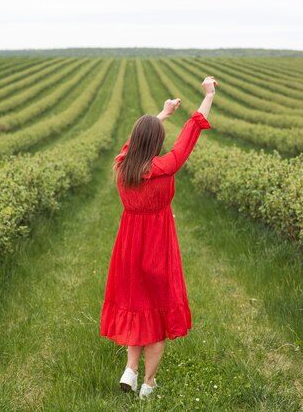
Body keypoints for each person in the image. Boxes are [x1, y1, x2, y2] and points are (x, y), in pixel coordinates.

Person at [100, 76, 218, 399]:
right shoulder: (165, 167)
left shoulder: (123, 167)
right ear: (156, 143)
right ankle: (148, 385)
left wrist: (160, 115)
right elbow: (190, 135)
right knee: (158, 313)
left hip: (128, 248)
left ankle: (130, 370)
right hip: (158, 246)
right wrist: (208, 96)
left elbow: (131, 142)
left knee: (136, 306)